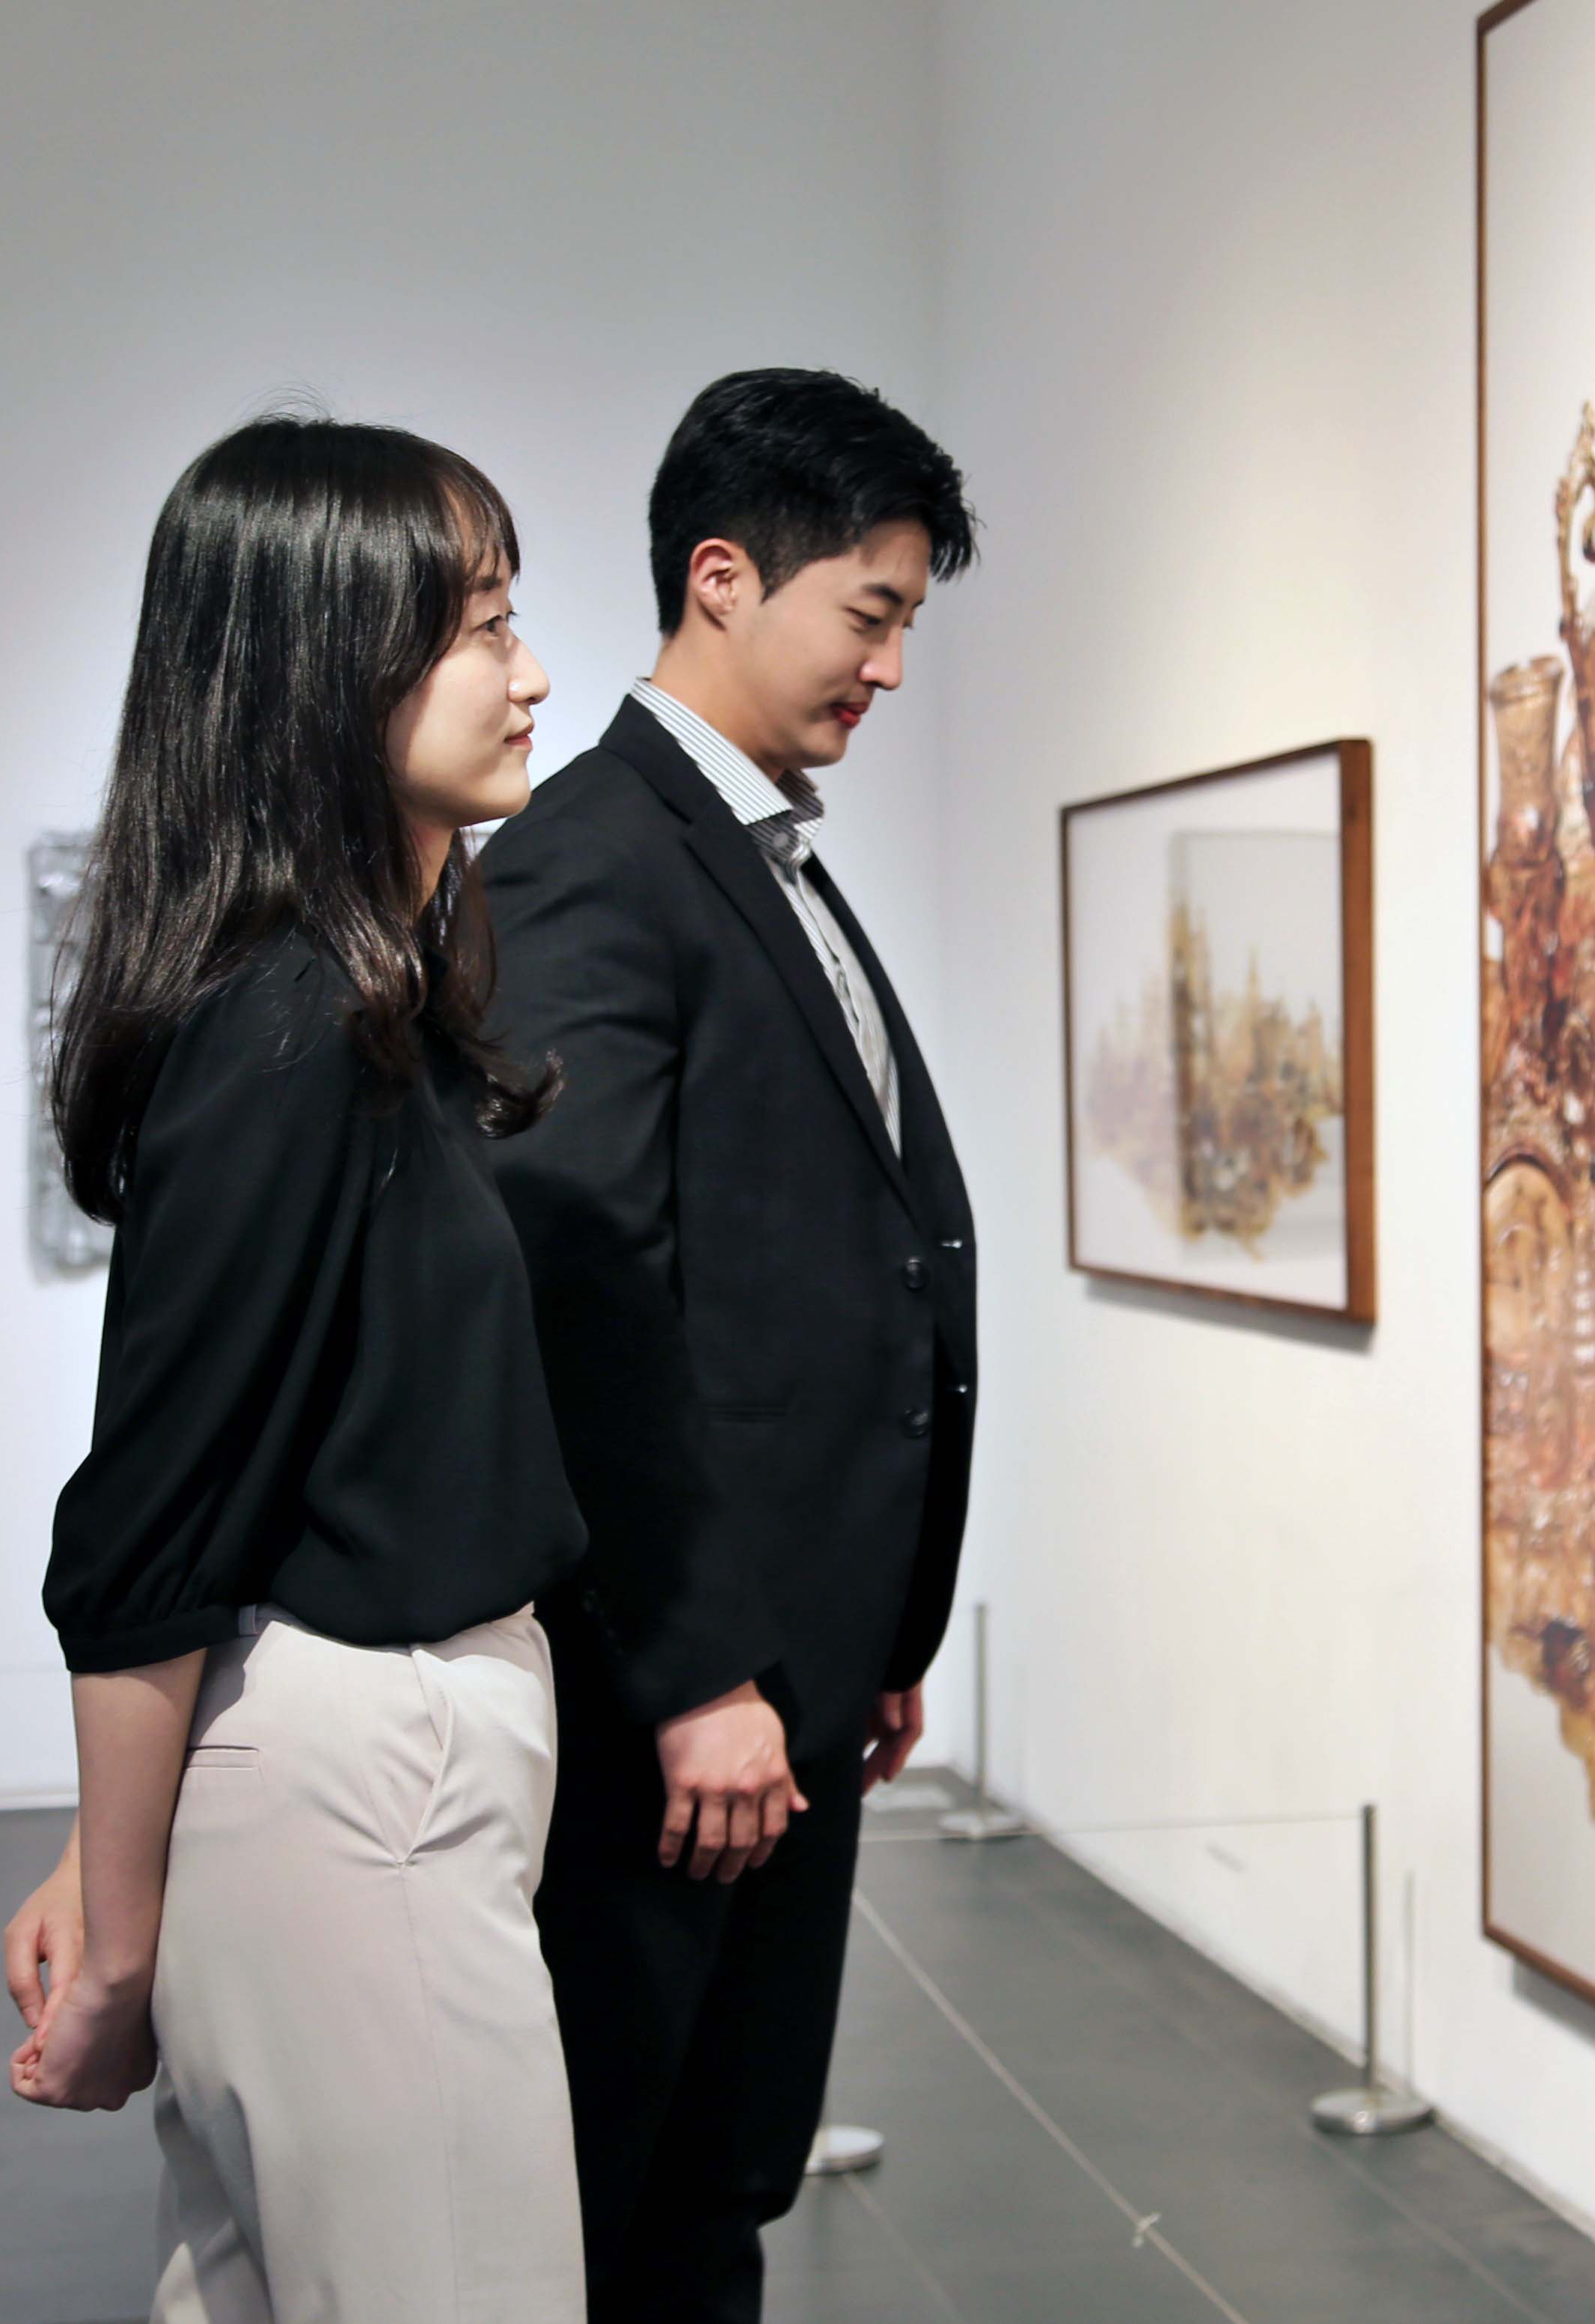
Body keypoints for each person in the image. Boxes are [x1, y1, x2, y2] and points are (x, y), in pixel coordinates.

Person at [0, 415, 590, 2323]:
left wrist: (114, 1857)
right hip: (367, 1777)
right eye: (479, 627)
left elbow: (214, 1492)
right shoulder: (294, 1028)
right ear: (329, 665)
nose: (531, 672)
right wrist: (117, 1926)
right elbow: (151, 1519)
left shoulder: (358, 1008)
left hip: (348, 1763)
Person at [480, 367, 980, 2322]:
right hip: (685, 1705)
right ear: (720, 577)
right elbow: (574, 1271)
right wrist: (697, 1667)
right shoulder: (594, 856)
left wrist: (875, 1633)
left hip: (797, 1667)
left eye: (907, 623)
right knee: (625, 2193)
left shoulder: (762, 852)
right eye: (871, 613)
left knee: (719, 2174)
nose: (892, 667)